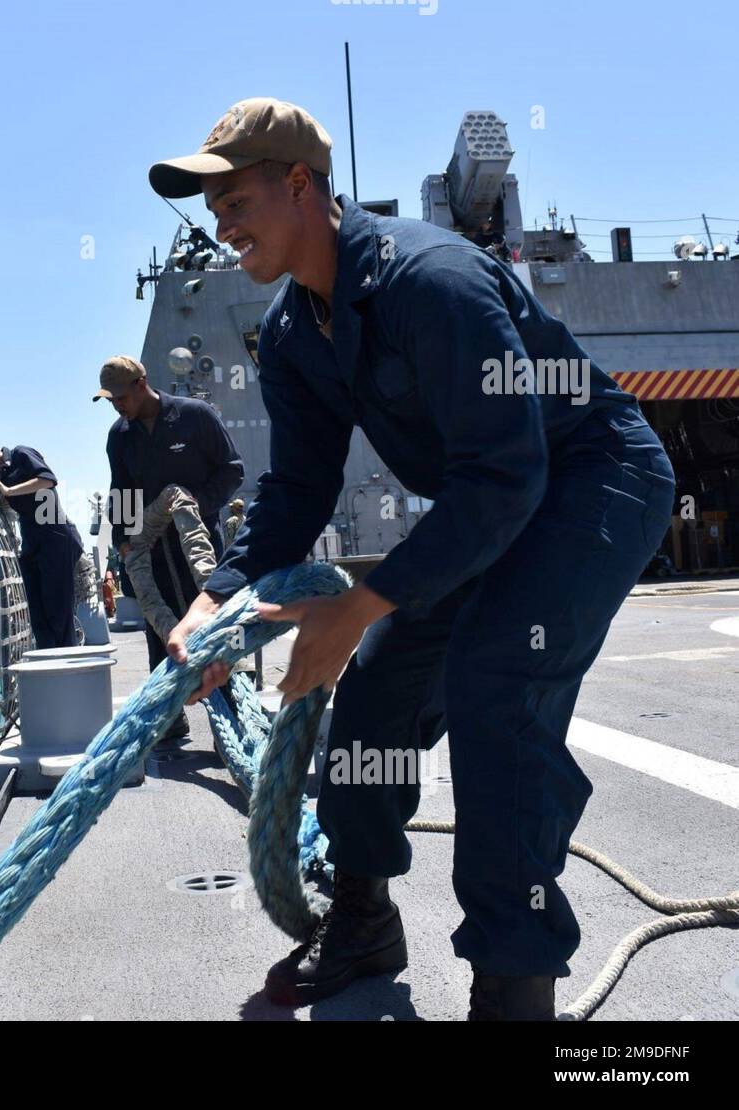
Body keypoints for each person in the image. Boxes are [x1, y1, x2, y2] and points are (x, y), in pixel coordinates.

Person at [151, 98, 675, 1020]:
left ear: (301, 184)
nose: (219, 225)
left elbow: (511, 472)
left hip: (588, 478)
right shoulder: (288, 334)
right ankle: (362, 918)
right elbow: (297, 495)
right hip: (487, 500)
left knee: (494, 683)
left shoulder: (431, 281)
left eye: (233, 201)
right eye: (213, 210)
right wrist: (217, 599)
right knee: (380, 696)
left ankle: (516, 986)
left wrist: (361, 605)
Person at [97, 356, 244, 737]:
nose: (117, 406)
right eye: (111, 401)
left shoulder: (195, 416)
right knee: (157, 627)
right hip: (153, 549)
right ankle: (168, 718)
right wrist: (125, 543)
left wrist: (194, 507)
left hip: (199, 545)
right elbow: (123, 491)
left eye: (121, 397)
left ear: (141, 383)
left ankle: (232, 713)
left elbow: (232, 469)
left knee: (212, 624)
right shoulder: (120, 435)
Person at [0, 433, 84, 651]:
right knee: (38, 617)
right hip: (33, 545)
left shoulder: (21, 454)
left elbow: (48, 479)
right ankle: (50, 668)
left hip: (56, 539)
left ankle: (68, 672)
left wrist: (10, 491)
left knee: (59, 613)